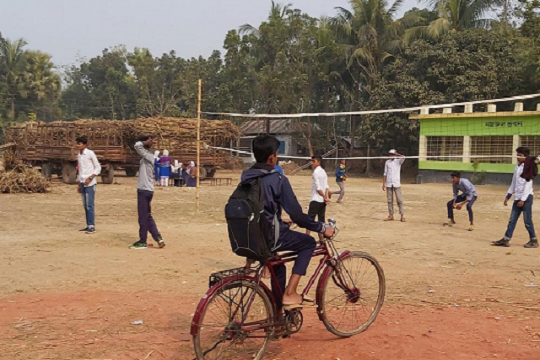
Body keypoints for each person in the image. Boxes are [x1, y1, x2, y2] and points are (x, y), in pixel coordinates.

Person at [242, 135, 334, 308]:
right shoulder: (278, 179)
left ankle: (277, 321)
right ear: (272, 158)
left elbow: (259, 207)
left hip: (247, 235)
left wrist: (278, 220)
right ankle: (290, 293)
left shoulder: (246, 177)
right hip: (268, 236)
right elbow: (298, 216)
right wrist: (321, 227)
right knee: (308, 242)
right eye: (277, 154)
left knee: (279, 268)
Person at [493, 147, 538, 248]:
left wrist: (523, 199)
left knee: (527, 220)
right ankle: (506, 239)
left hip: (526, 198)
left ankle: (533, 240)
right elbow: (513, 183)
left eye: (520, 155)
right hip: (517, 197)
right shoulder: (517, 168)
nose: (517, 157)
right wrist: (508, 196)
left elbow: (528, 184)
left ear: (525, 157)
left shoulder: (528, 167)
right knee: (512, 219)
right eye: (517, 154)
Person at [130, 136, 165, 249]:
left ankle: (142, 241)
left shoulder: (148, 155)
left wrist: (145, 142)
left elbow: (137, 145)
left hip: (144, 189)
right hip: (148, 189)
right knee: (147, 216)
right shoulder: (150, 156)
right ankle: (158, 237)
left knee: (142, 217)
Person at [76, 136, 101, 234]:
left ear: (85, 144)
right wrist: (79, 183)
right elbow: (80, 170)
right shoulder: (79, 155)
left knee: (89, 205)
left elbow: (98, 167)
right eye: (77, 143)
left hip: (90, 183)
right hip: (82, 183)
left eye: (79, 143)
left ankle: (92, 226)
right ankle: (88, 225)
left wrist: (90, 178)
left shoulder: (90, 153)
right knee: (85, 205)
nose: (78, 145)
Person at [307, 155, 330, 239]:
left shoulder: (316, 172)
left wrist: (324, 196)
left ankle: (306, 238)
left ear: (319, 162)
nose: (312, 163)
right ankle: (321, 239)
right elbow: (327, 186)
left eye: (314, 161)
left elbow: (318, 188)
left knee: (309, 221)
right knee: (321, 221)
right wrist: (326, 197)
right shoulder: (323, 171)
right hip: (322, 201)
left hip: (316, 199)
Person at [383, 149, 406, 222]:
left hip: (396, 183)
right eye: (390, 154)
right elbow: (385, 173)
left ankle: (402, 215)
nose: (391, 156)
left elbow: (404, 157)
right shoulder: (387, 162)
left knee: (399, 200)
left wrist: (397, 154)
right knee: (389, 200)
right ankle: (391, 215)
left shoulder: (398, 161)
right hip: (389, 183)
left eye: (392, 154)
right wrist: (384, 183)